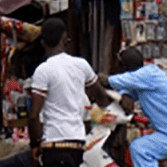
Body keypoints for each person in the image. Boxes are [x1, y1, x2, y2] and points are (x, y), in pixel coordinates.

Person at [28, 17, 110, 167]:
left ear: (42, 43)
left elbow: (34, 116)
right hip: (78, 145)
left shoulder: (43, 70)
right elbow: (102, 97)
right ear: (65, 40)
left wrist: (35, 144)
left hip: (53, 145)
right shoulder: (81, 65)